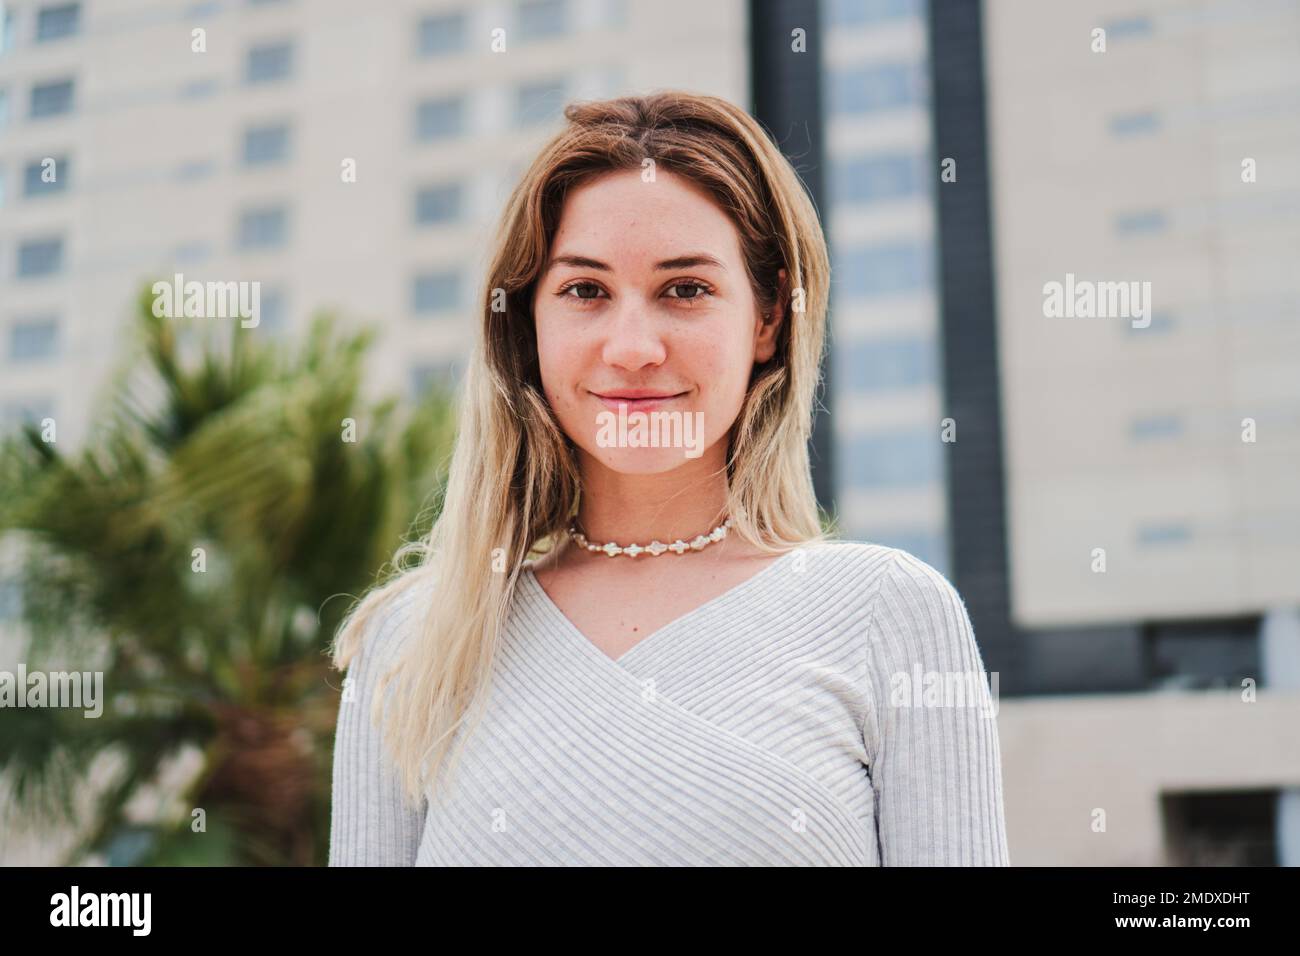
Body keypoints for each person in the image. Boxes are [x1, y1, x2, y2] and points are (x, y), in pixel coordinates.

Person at [328, 90, 1009, 866]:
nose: (632, 347)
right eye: (585, 291)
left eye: (685, 289)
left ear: (766, 320)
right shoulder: (415, 642)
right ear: (528, 324)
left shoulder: (890, 614)